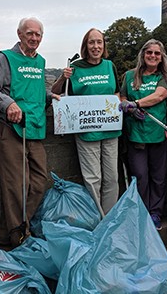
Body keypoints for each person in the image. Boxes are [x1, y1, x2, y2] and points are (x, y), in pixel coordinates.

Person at [0, 17, 59, 248]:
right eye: (29, 33)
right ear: (19, 34)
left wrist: (52, 97)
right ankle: (16, 237)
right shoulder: (4, 58)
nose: (34, 38)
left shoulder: (40, 61)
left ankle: (8, 232)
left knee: (39, 181)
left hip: (34, 127)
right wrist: (8, 103)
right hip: (10, 128)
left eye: (38, 35)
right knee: (16, 185)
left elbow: (36, 91)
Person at [51, 28, 121, 214]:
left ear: (104, 45)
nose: (96, 46)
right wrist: (62, 77)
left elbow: (116, 93)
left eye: (99, 42)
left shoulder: (110, 66)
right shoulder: (75, 67)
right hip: (86, 131)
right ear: (85, 45)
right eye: (92, 42)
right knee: (93, 178)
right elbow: (56, 93)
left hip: (110, 129)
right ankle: (96, 218)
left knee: (112, 177)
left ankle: (109, 218)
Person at [120, 39, 167, 230]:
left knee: (158, 177)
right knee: (140, 175)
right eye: (149, 52)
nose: (152, 56)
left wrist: (136, 104)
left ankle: (155, 212)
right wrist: (128, 107)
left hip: (157, 133)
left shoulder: (164, 76)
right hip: (135, 134)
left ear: (161, 57)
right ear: (143, 54)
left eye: (157, 53)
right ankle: (141, 211)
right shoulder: (129, 76)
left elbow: (159, 96)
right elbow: (123, 97)